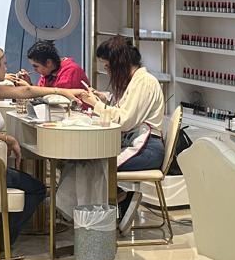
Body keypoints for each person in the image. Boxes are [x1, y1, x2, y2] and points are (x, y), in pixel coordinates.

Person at [74, 36, 165, 231]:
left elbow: (124, 121)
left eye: (107, 66)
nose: (106, 71)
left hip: (147, 148)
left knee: (96, 164)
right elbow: (124, 111)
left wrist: (95, 104)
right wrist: (102, 99)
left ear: (119, 64)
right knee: (86, 161)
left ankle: (102, 216)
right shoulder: (133, 82)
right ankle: (112, 203)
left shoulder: (144, 82)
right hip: (135, 143)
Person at [0, 45, 46, 243]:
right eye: (4, 64)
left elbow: (25, 91)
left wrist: (63, 92)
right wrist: (8, 139)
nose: (7, 68)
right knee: (36, 189)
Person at [16, 40, 89, 92]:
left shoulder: (71, 71)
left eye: (36, 66)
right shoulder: (48, 72)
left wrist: (28, 87)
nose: (34, 70)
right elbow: (40, 93)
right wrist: (29, 83)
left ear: (48, 63)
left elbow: (57, 98)